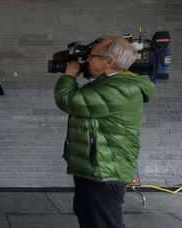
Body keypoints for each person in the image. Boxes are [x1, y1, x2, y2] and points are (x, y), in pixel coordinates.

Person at [54, 36, 155, 228]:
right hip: (98, 166)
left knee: (103, 222)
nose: (86, 60)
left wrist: (68, 76)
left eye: (91, 56)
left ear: (109, 62)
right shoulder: (109, 82)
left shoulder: (118, 88)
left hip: (105, 171)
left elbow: (68, 101)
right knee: (90, 216)